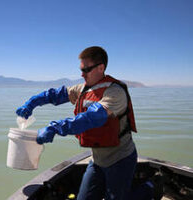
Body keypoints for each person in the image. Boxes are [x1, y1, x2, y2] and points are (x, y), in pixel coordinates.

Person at [16, 46, 161, 200]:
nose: (82, 74)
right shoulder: (83, 89)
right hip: (97, 160)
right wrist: (32, 102)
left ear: (101, 68)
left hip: (120, 159)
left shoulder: (115, 92)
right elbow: (56, 95)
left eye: (86, 70)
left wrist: (56, 128)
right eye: (81, 69)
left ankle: (151, 187)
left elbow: (92, 117)